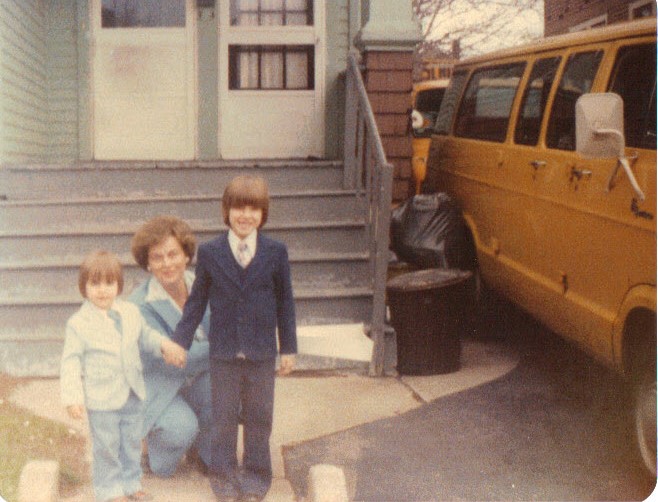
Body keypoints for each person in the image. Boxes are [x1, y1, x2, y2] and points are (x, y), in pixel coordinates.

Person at [164, 175, 297, 502]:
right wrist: (180, 340)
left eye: (254, 209)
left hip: (261, 353)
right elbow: (196, 302)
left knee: (258, 419)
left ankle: (255, 480)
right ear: (227, 210)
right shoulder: (211, 253)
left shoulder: (275, 252)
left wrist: (288, 348)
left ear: (263, 214)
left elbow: (285, 302)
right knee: (222, 419)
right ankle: (222, 481)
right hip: (223, 353)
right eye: (239, 208)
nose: (245, 216)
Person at [60, 250, 181, 502]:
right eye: (95, 284)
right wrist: (72, 396)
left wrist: (164, 344)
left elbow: (146, 335)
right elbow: (70, 361)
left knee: (131, 441)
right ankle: (109, 490)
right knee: (106, 446)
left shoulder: (130, 312)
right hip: (102, 398)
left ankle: (130, 482)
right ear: (83, 287)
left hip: (132, 391)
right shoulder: (79, 323)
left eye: (109, 283)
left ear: (119, 285)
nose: (102, 290)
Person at [128, 216, 213, 477]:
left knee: (227, 395)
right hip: (160, 384)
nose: (167, 264)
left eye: (173, 254)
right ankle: (152, 453)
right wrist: (221, 348)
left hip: (199, 377)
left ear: (186, 255)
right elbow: (173, 360)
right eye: (157, 257)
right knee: (180, 429)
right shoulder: (139, 305)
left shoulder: (205, 285)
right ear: (148, 264)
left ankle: (206, 454)